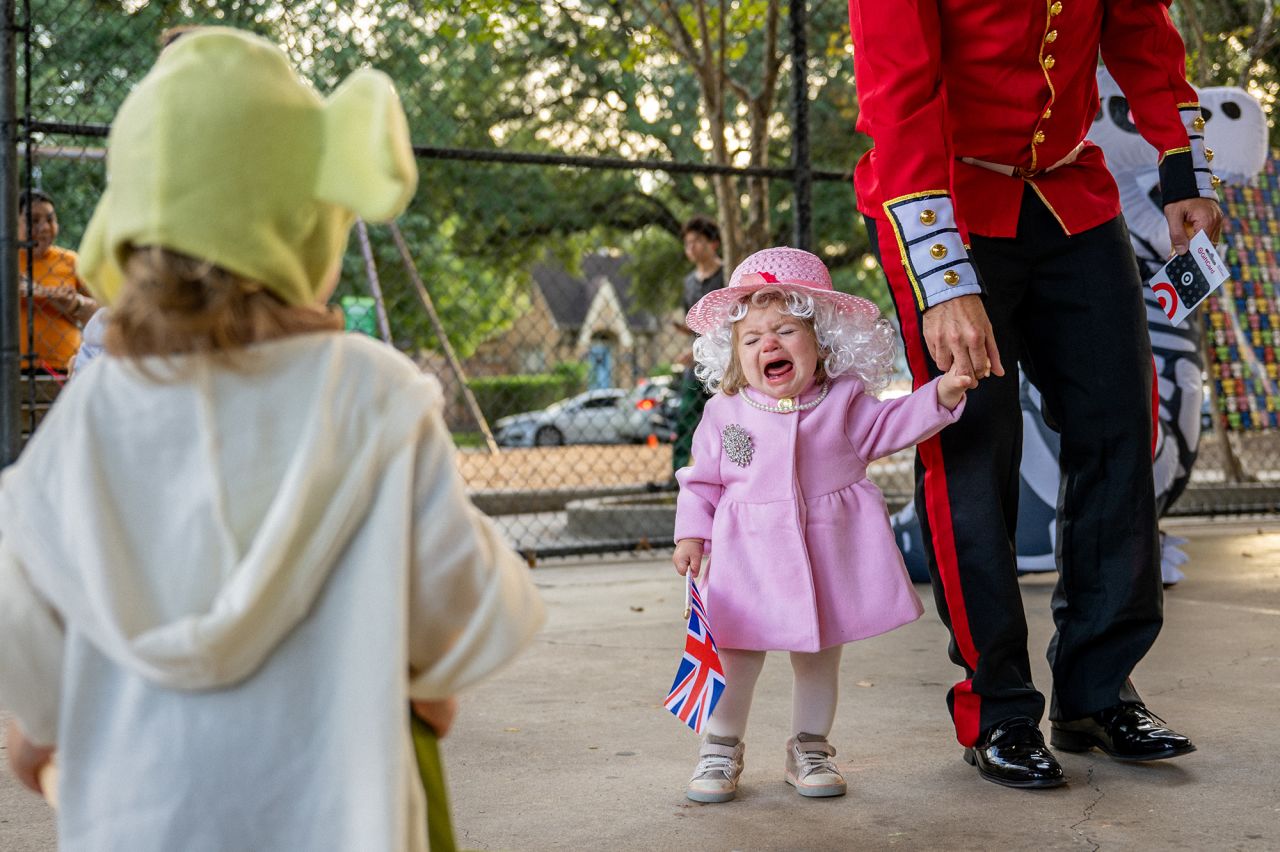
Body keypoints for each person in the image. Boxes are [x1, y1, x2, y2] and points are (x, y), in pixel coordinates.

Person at [0, 27, 544, 851]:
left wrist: (39, 732)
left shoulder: (94, 410)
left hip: (141, 820)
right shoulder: (376, 393)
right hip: (342, 816)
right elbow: (455, 613)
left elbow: (27, 644)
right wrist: (429, 684)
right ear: (308, 218)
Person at [847, 0, 1222, 788]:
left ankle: (1095, 692)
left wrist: (1182, 164)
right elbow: (899, 97)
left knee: (1121, 426)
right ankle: (999, 708)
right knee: (974, 447)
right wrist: (945, 281)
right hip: (944, 202)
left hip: (1070, 195)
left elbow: (1143, 36)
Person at [671, 247, 974, 803]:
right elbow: (702, 480)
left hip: (824, 561)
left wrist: (943, 393)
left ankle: (809, 746)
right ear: (735, 355)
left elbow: (893, 422)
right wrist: (693, 533)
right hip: (746, 562)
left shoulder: (844, 403)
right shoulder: (726, 412)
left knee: (816, 660)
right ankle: (720, 747)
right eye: (753, 338)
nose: (770, 345)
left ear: (824, 343)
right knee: (735, 660)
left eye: (786, 330)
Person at [17, 189, 99, 374]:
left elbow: (100, 311)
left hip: (62, 365)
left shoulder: (70, 261)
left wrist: (74, 303)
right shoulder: (7, 260)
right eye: (34, 220)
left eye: (50, 219)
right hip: (13, 367)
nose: (45, 227)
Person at [671, 215, 725, 472]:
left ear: (713, 243)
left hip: (727, 360)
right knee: (686, 417)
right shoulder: (688, 283)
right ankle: (677, 474)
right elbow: (695, 325)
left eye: (697, 241)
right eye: (687, 243)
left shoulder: (727, 274)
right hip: (698, 361)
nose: (691, 247)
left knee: (726, 418)